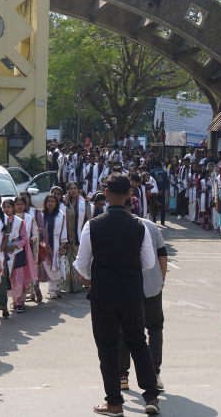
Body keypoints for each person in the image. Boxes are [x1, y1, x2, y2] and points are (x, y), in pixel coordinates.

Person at [74, 173, 160, 416]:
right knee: (138, 343)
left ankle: (114, 403)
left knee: (108, 348)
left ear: (106, 193)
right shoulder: (139, 225)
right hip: (132, 293)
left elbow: (82, 263)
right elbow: (148, 262)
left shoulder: (93, 225)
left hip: (103, 295)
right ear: (129, 195)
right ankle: (151, 397)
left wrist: (87, 279)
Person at [116, 214, 168, 391]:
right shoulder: (151, 225)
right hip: (152, 285)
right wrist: (161, 277)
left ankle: (122, 375)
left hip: (126, 287)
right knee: (154, 327)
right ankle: (154, 373)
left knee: (124, 329)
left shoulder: (115, 225)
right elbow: (162, 253)